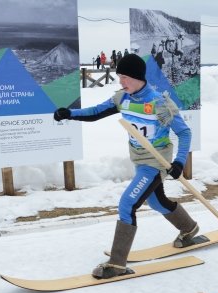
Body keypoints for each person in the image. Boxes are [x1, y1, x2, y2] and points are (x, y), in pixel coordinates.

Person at [52, 54, 199, 279]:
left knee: (127, 204)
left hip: (155, 162)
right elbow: (95, 112)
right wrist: (69, 114)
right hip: (139, 161)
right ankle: (189, 228)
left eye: (125, 77)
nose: (121, 82)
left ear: (138, 77)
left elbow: (184, 132)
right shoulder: (123, 98)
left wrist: (179, 161)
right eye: (119, 77)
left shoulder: (159, 103)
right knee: (158, 202)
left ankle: (117, 264)